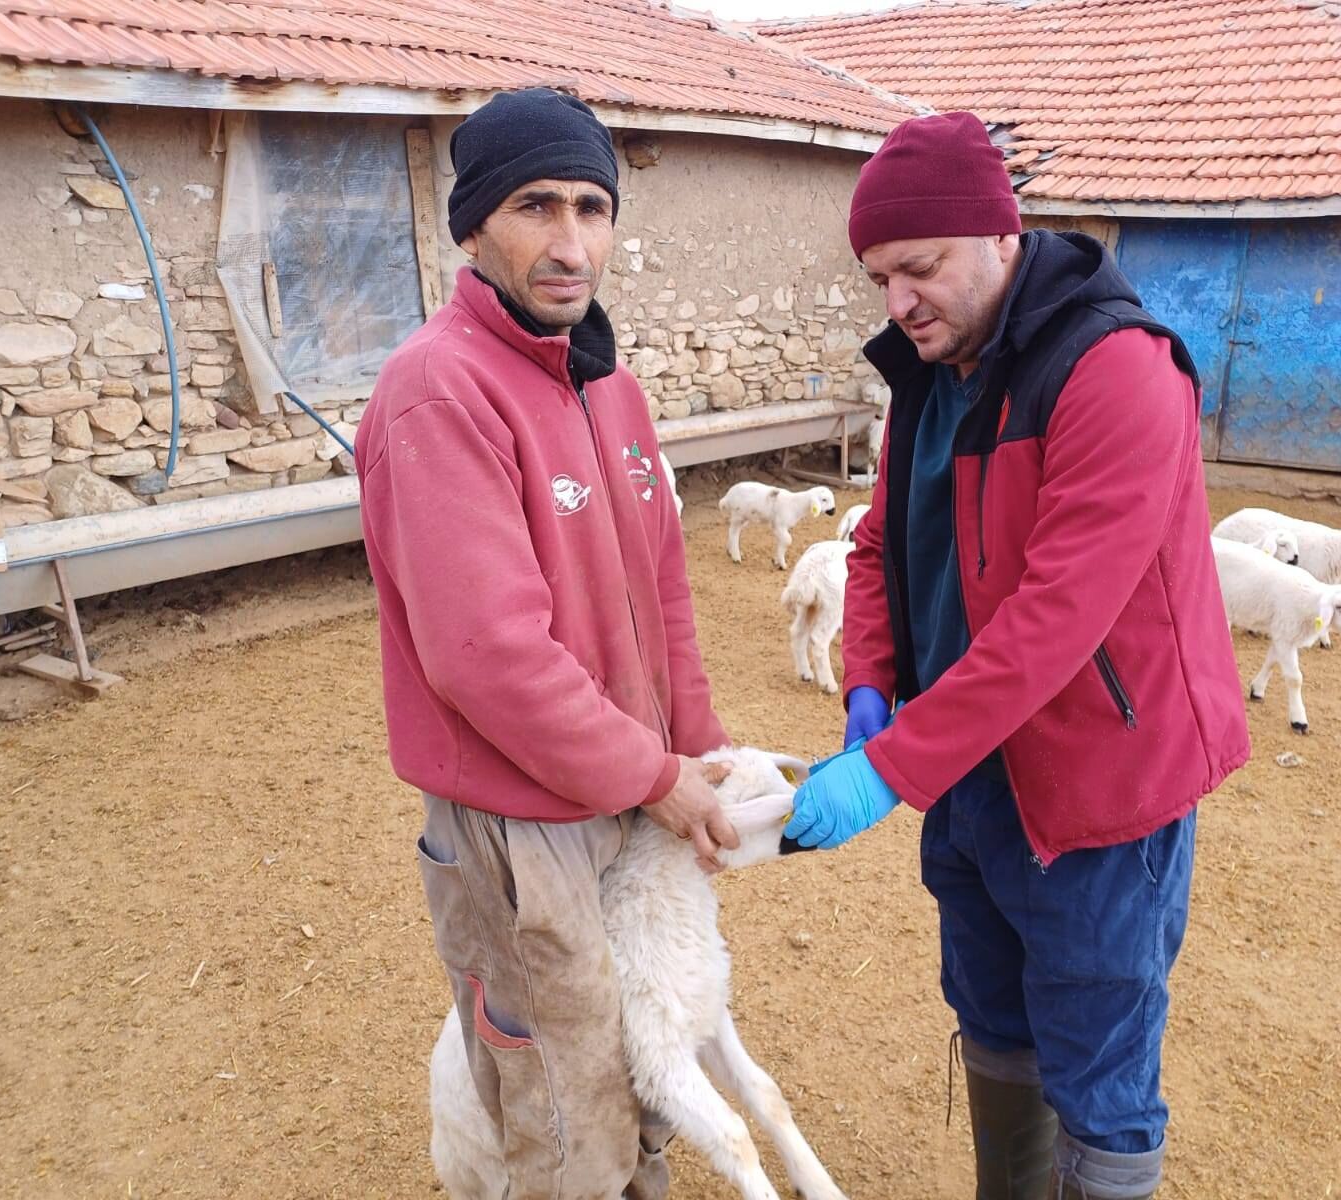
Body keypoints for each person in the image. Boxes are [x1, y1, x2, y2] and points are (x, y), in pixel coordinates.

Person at [784, 111, 1251, 1199]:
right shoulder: (930, 372)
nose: (898, 302)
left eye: (920, 267)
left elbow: (1055, 620)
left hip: (1097, 787)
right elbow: (879, 544)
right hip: (971, 770)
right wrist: (869, 688)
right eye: (879, 278)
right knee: (991, 1015)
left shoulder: (1117, 371)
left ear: (1003, 234)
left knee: (1099, 1067)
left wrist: (890, 770)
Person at [355, 88, 737, 1200]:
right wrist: (655, 776)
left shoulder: (609, 386)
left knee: (643, 1061)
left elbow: (663, 590)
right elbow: (488, 656)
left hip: (625, 788)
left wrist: (695, 749)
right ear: (473, 226)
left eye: (591, 208)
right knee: (568, 1104)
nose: (571, 245)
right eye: (535, 207)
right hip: (520, 822)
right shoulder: (440, 390)